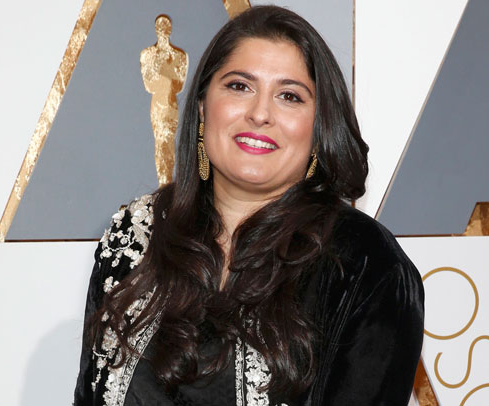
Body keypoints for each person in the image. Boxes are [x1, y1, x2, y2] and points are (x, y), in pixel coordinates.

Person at [74, 6, 424, 406]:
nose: (260, 113)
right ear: (204, 107)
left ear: (319, 126)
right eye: (240, 86)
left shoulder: (362, 262)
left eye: (289, 96)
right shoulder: (135, 235)